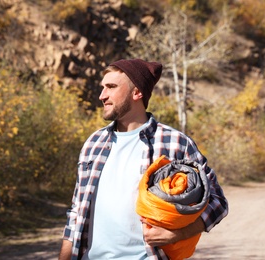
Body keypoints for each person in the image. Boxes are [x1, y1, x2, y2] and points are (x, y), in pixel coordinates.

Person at [59, 58, 228, 260]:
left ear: (137, 92)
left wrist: (177, 235)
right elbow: (77, 211)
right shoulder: (93, 143)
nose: (102, 96)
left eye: (111, 87)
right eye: (102, 88)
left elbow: (217, 202)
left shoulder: (175, 143)